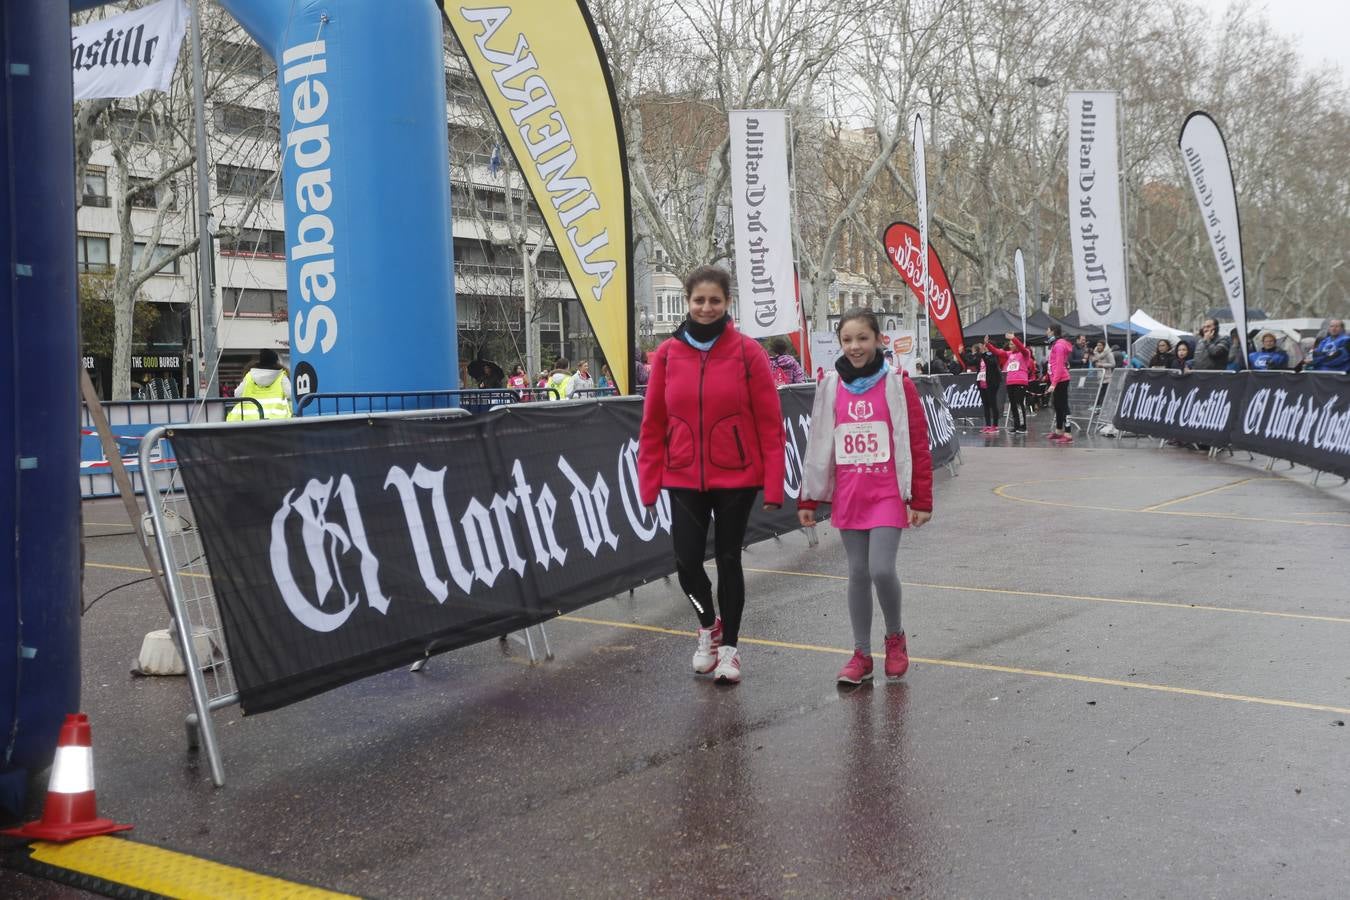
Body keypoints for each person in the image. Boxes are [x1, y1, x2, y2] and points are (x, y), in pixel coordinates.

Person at [637, 265, 785, 685]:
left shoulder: (747, 352)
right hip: (682, 474)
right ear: (688, 302)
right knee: (685, 561)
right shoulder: (666, 354)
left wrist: (773, 483)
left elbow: (770, 423)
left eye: (714, 300)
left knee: (728, 559)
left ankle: (731, 651)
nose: (706, 307)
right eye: (699, 300)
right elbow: (652, 424)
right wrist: (648, 482)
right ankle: (709, 627)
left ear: (727, 303)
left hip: (737, 476)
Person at [797, 308, 933, 684]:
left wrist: (920, 499)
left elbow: (917, 443)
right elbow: (819, 445)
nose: (855, 346)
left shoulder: (898, 384)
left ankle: (895, 637)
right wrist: (808, 498)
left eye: (863, 338)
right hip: (850, 493)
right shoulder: (830, 387)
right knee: (857, 573)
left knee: (881, 569)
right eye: (847, 340)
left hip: (887, 493)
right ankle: (861, 654)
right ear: (839, 343)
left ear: (878, 341)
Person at [227, 348, 292, 420]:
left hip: (248, 420)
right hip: (276, 420)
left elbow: (237, 394)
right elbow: (290, 394)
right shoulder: (281, 376)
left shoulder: (250, 376)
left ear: (260, 361)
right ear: (276, 362)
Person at [989, 332, 1032, 433]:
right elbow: (997, 352)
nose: (1010, 346)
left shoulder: (1025, 353)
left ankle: (1022, 426)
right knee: (1013, 405)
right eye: (1010, 344)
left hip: (1020, 382)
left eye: (1012, 344)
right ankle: (1016, 425)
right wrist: (988, 345)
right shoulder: (1009, 354)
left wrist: (1014, 338)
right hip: (1010, 382)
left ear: (1017, 344)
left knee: (1019, 404)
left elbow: (1022, 348)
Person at [1046, 324, 1073, 442]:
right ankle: (1058, 430)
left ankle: (1068, 433)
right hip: (1056, 379)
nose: (1046, 332)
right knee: (1057, 405)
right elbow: (1052, 364)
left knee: (1063, 405)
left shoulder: (1059, 345)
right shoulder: (1055, 345)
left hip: (1061, 380)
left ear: (1052, 331)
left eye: (1047, 329)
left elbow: (1060, 366)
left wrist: (1054, 383)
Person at [971, 340, 1003, 433]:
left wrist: (985, 354)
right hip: (982, 382)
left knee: (993, 403)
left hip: (992, 382)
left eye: (986, 346)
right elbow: (972, 362)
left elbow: (991, 363)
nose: (984, 347)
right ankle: (988, 425)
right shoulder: (982, 356)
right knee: (985, 404)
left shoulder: (993, 355)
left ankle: (995, 425)